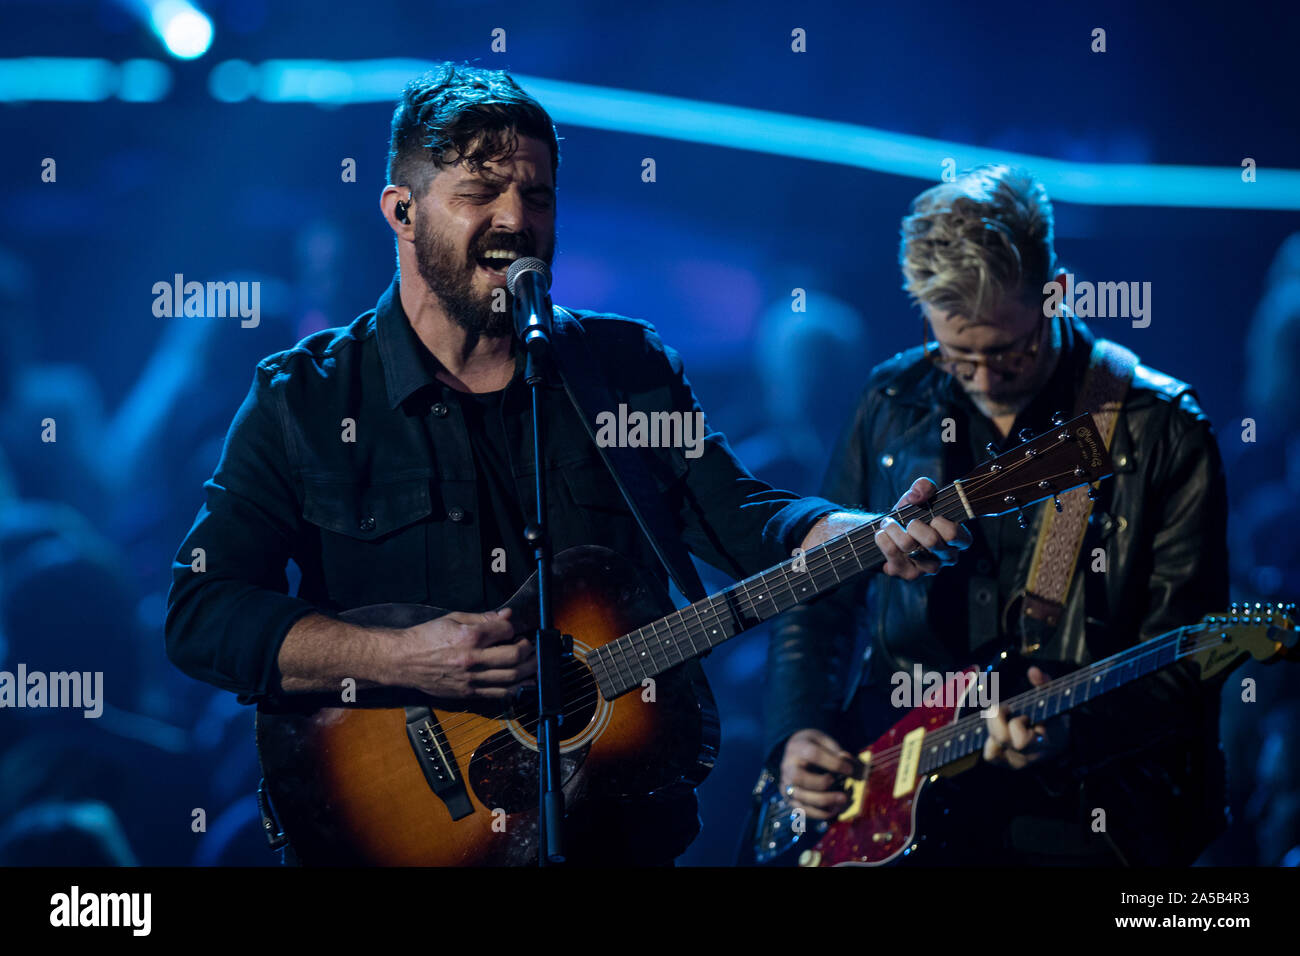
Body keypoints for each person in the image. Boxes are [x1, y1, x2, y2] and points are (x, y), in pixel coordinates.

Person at [163, 63, 969, 866]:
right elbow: (202, 614)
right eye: (481, 191)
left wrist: (850, 529)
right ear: (403, 213)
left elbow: (743, 514)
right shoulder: (302, 398)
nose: (517, 219)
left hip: (612, 838)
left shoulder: (621, 367)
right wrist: (401, 657)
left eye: (538, 196)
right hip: (404, 839)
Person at [762, 164, 1230, 866]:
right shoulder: (890, 400)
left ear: (1057, 294)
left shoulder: (1158, 428)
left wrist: (1075, 729)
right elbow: (821, 600)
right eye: (958, 356)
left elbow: (1191, 653)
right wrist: (798, 731)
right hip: (893, 803)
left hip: (1076, 817)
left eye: (1009, 353)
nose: (983, 379)